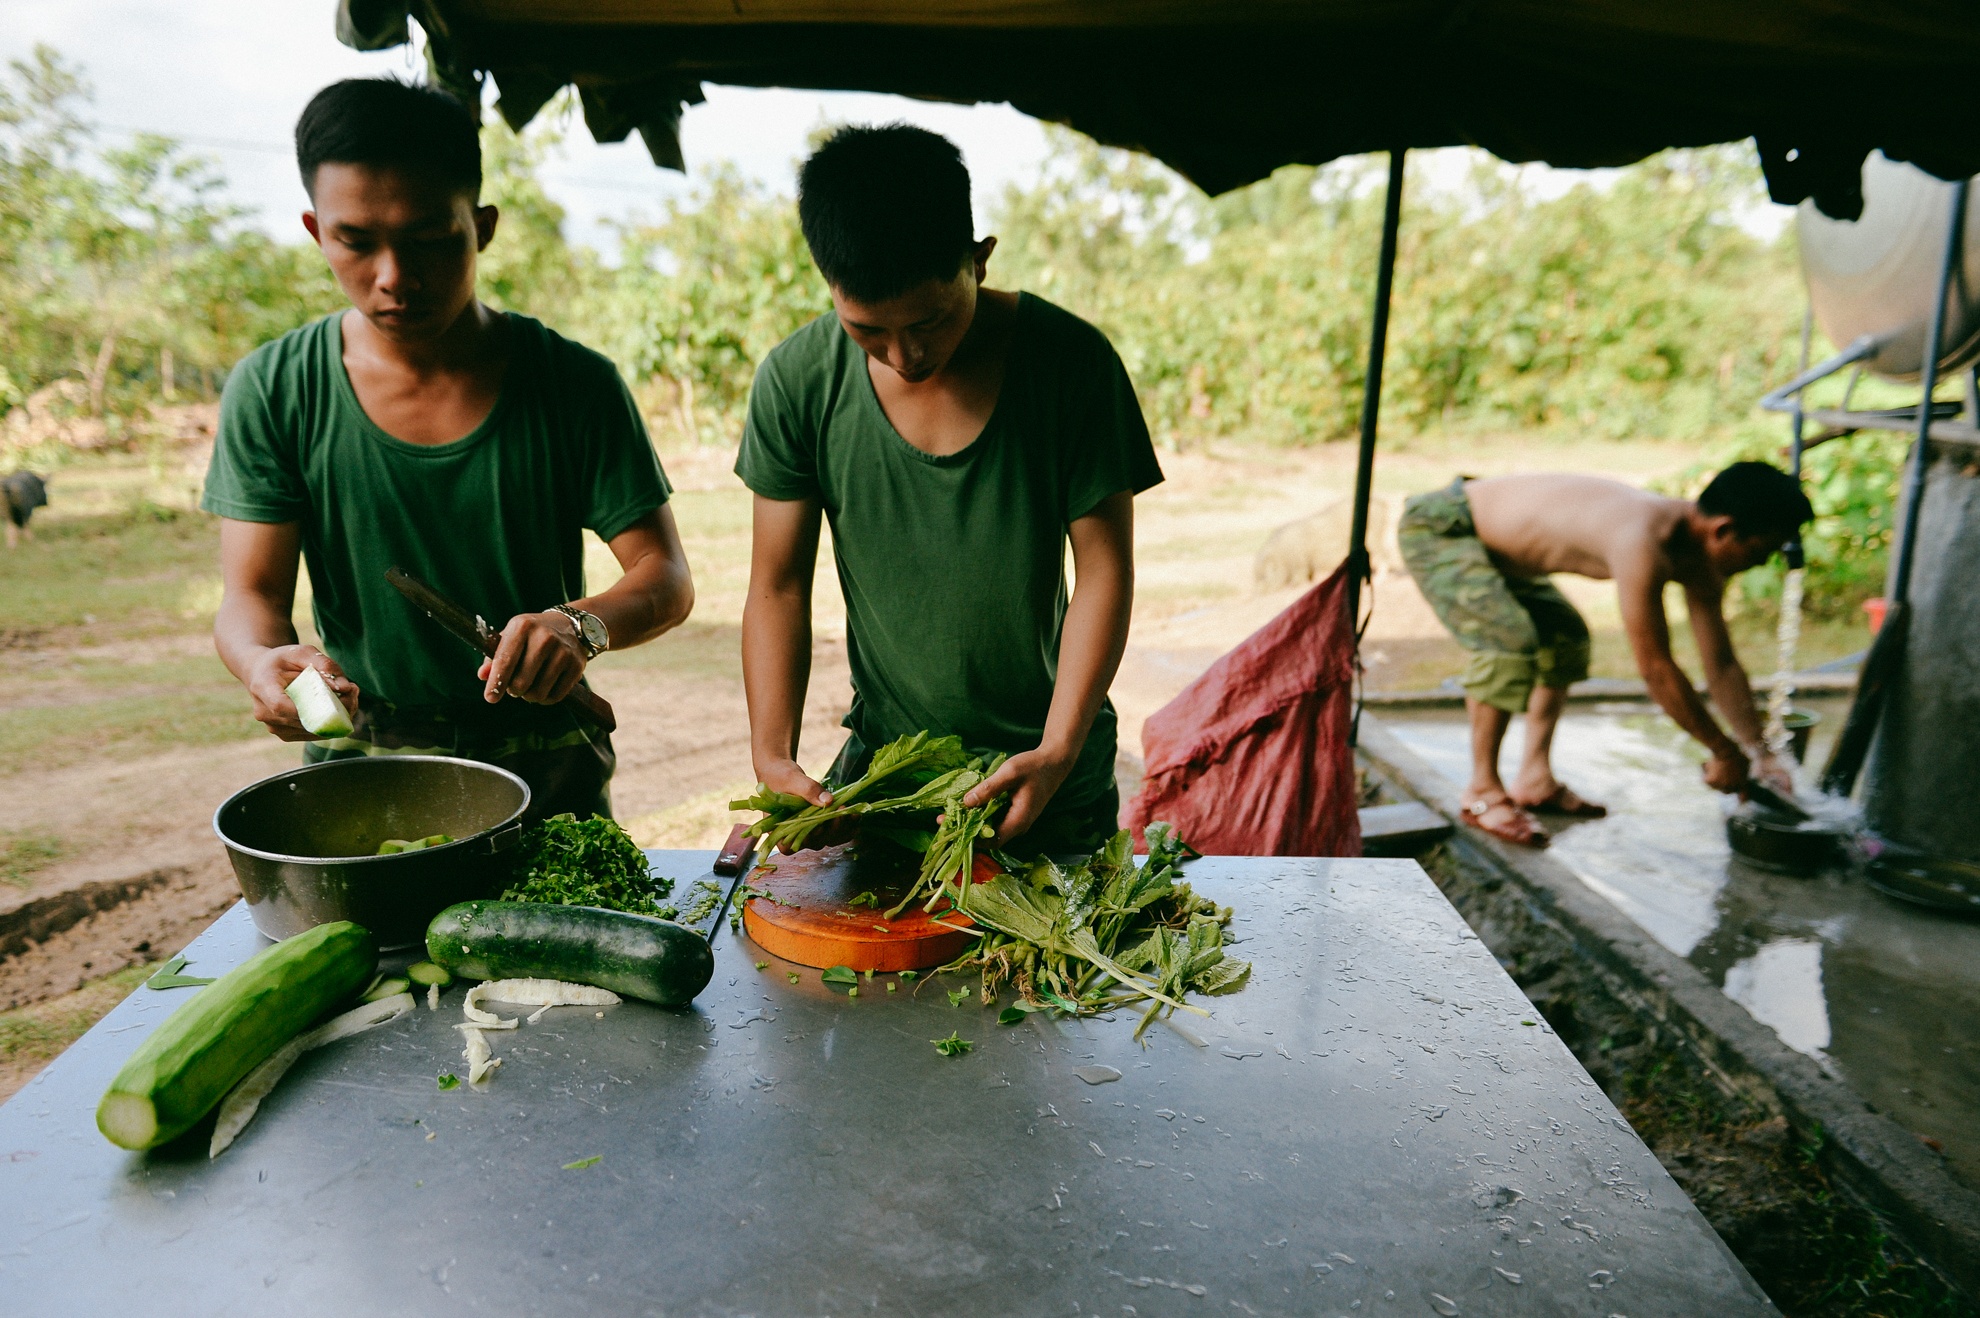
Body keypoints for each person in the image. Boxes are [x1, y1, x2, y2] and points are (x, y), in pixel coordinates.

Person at [202, 79, 692, 820]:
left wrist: (581, 626)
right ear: (314, 230)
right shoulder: (274, 389)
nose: (395, 277)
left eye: (431, 239)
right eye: (357, 243)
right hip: (361, 778)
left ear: (483, 225)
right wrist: (261, 661)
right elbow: (253, 597)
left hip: (548, 772)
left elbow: (664, 577)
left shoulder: (574, 384)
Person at [736, 124, 1161, 856]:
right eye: (867, 330)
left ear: (980, 261)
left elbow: (1104, 569)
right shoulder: (797, 382)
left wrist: (1060, 747)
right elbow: (777, 586)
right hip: (890, 784)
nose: (906, 356)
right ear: (829, 287)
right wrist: (773, 755)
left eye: (930, 321)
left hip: (1051, 777)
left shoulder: (1071, 363)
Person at [1398, 463, 1813, 846]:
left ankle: (1535, 780)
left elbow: (1720, 663)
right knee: (1509, 640)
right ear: (1724, 530)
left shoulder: (1703, 560)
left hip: (1495, 545)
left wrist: (1759, 753)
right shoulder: (1643, 540)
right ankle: (1482, 792)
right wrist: (1723, 751)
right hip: (1444, 525)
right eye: (1761, 551)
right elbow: (1655, 667)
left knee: (1566, 637)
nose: (1761, 563)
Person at [3, 470, 48, 548]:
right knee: (15, 520)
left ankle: (15, 543)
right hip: (18, 493)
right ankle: (14, 543)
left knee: (12, 520)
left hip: (14, 492)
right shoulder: (27, 486)